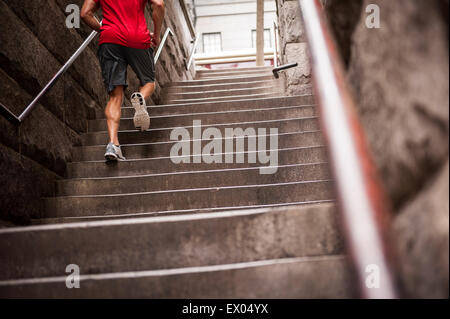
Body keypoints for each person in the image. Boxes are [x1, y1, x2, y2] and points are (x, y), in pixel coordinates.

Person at [81, 0, 165, 161]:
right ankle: (140, 97)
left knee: (114, 97)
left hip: (110, 39)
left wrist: (104, 29)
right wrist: (157, 34)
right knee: (148, 82)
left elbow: (85, 14)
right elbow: (159, 4)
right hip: (138, 37)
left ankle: (113, 144)